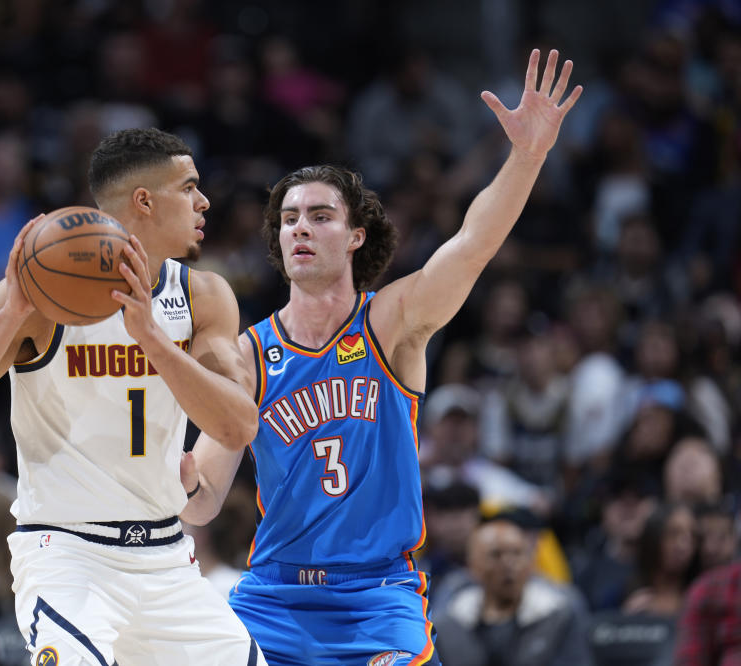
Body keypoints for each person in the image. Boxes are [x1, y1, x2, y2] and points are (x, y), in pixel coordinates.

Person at [181, 49, 582, 665]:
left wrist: (527, 156)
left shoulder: (391, 322)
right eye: (289, 219)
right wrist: (165, 477)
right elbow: (205, 494)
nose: (300, 230)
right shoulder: (248, 352)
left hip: (377, 593)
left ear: (356, 235)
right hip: (273, 596)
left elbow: (472, 245)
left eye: (319, 216)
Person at [0, 128, 266, 666]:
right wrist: (10, 317)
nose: (204, 201)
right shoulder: (37, 295)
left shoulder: (202, 295)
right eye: (189, 187)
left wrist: (152, 340)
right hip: (68, 554)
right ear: (144, 200)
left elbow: (238, 427)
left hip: (167, 559)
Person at [435, 517, 592, 666]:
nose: (508, 564)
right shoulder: (449, 623)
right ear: (472, 565)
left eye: (517, 553)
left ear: (531, 562)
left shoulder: (560, 614)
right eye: (495, 555)